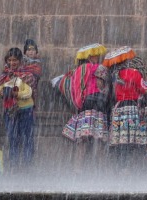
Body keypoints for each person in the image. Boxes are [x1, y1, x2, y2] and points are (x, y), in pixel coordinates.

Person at [52, 43, 109, 174]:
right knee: (99, 139)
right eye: (95, 55)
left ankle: (78, 169)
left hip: (84, 105)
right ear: (90, 56)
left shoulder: (78, 70)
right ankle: (102, 169)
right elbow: (101, 84)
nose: (98, 56)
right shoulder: (97, 67)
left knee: (82, 139)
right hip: (98, 103)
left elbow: (73, 86)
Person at [103, 46, 147, 175]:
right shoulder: (133, 72)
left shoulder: (114, 75)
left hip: (118, 109)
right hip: (131, 108)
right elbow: (145, 89)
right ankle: (131, 169)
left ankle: (121, 167)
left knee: (120, 140)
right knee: (131, 139)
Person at [0, 48, 38, 172]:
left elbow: (30, 92)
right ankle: (14, 165)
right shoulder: (5, 75)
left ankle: (27, 166)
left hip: (26, 110)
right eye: (9, 60)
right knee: (13, 138)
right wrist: (3, 92)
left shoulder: (28, 74)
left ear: (20, 60)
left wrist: (16, 94)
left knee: (27, 138)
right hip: (10, 111)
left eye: (15, 60)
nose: (12, 62)